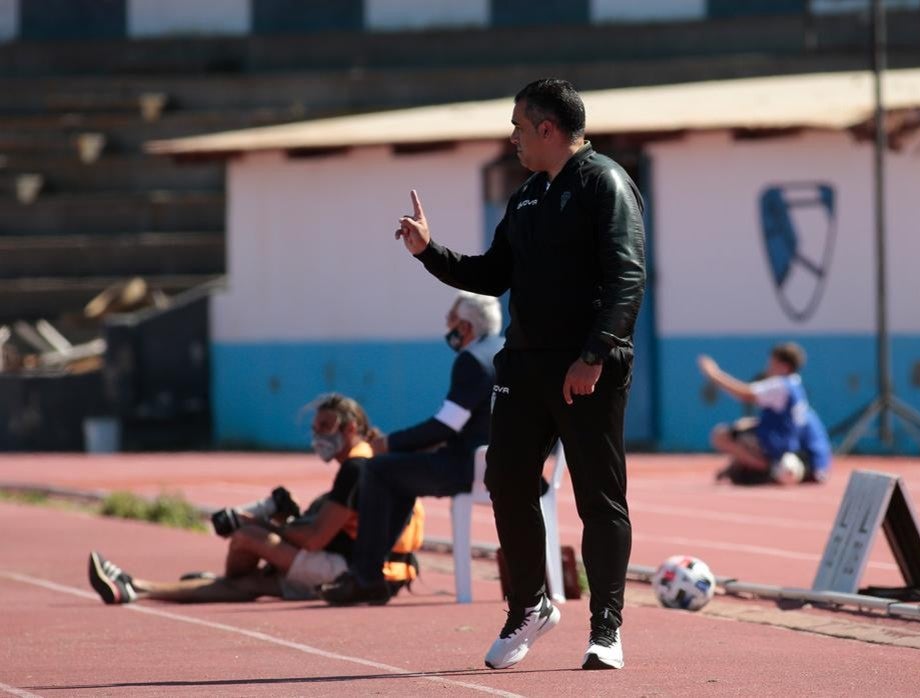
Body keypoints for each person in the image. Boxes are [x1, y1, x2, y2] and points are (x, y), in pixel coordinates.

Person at [393, 78, 645, 671]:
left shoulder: (604, 183)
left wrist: (594, 355)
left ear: (548, 129)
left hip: (586, 369)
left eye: (517, 126)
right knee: (505, 482)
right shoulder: (527, 195)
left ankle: (606, 627)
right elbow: (491, 273)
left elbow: (628, 277)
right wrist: (430, 251)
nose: (512, 138)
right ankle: (529, 606)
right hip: (525, 366)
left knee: (598, 497)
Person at [86, 394, 418, 604]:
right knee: (247, 585)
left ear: (351, 428)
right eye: (315, 429)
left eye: (326, 427)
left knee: (245, 538)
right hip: (376, 573)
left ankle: (146, 586)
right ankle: (133, 587)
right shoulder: (372, 461)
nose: (318, 436)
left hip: (351, 572)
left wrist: (260, 522)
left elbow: (316, 539)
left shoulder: (357, 469)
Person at [319, 292, 505, 605]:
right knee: (400, 473)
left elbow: (447, 424)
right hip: (507, 462)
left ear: (467, 327)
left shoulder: (472, 361)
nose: (447, 324)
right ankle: (372, 573)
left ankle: (366, 576)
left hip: (471, 468)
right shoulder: (505, 351)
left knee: (378, 469)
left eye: (451, 319)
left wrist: (388, 443)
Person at [698, 342, 832, 486]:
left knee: (721, 435)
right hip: (787, 443)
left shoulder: (780, 385)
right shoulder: (796, 386)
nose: (768, 367)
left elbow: (745, 394)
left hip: (776, 444)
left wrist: (714, 374)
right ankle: (751, 468)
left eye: (772, 363)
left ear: (784, 366)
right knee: (743, 430)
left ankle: (768, 468)